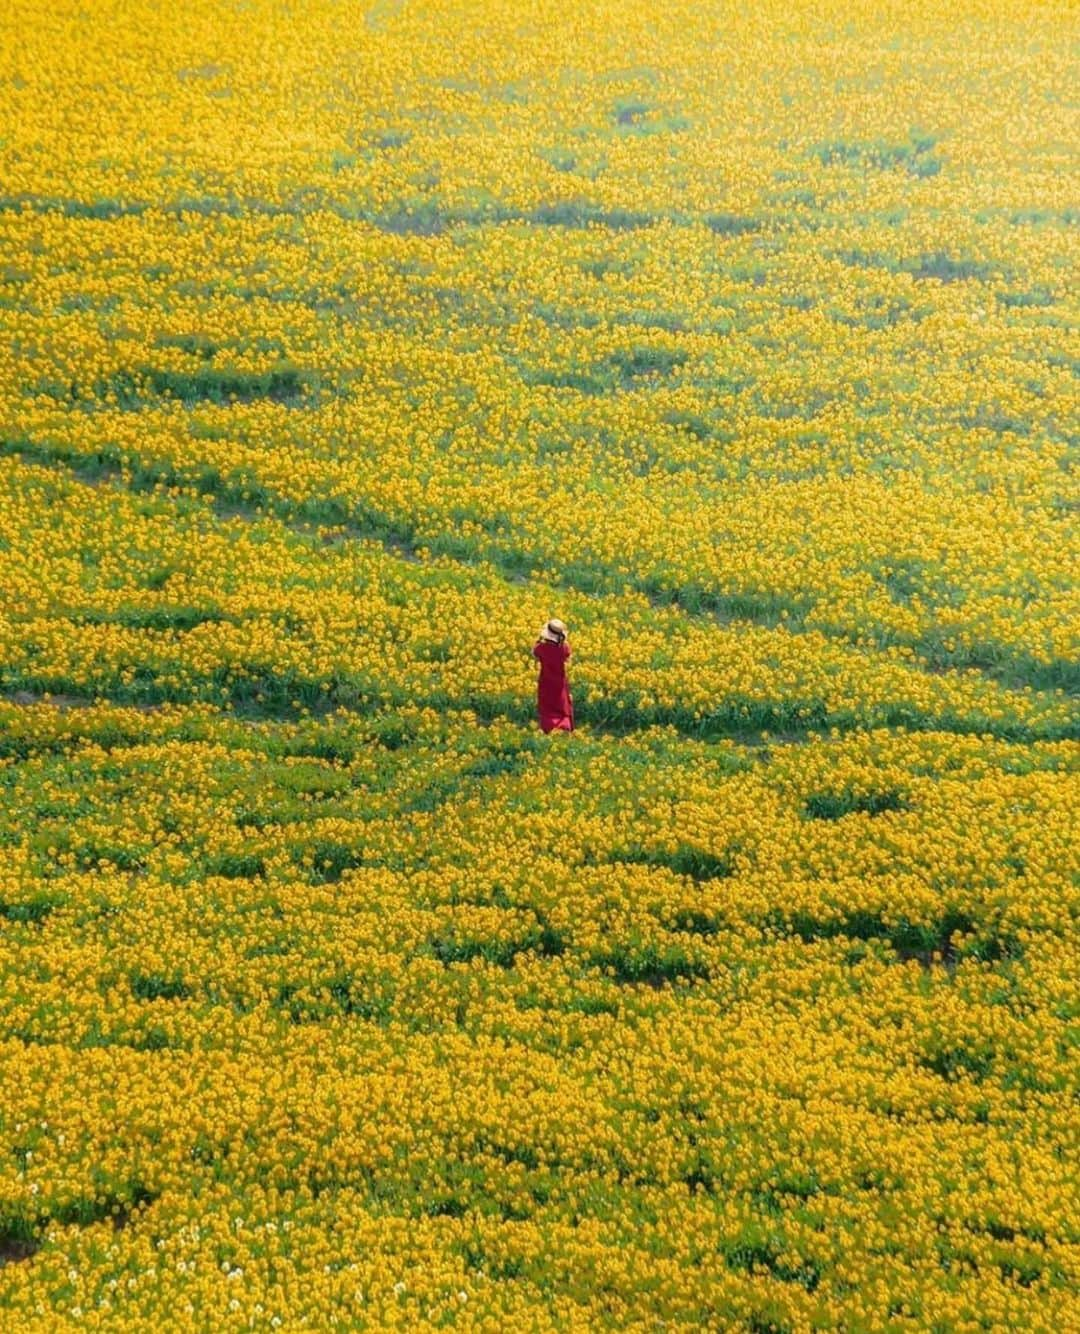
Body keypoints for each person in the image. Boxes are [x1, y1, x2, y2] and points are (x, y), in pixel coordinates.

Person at [533, 618, 574, 734]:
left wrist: (540, 640)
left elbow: (534, 652)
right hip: (560, 681)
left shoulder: (542, 648)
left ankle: (549, 726)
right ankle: (564, 726)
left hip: (546, 680)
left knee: (547, 705)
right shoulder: (564, 648)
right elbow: (568, 654)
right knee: (561, 704)